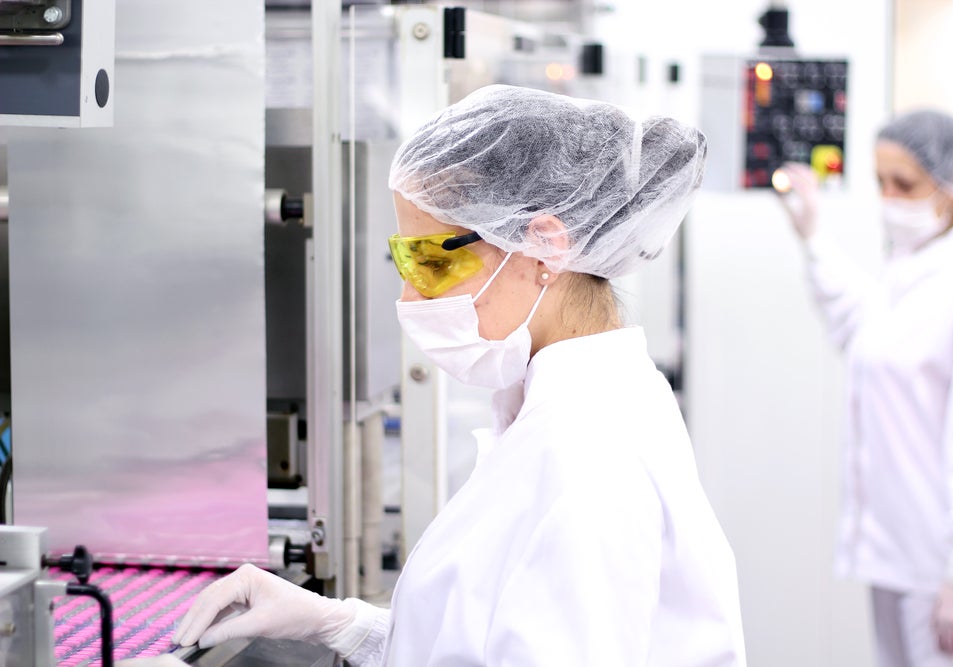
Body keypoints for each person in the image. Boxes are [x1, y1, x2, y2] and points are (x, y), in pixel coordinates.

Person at [163, 84, 746, 666]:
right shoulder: (566, 409)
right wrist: (341, 625)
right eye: (403, 261)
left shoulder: (588, 453)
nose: (409, 297)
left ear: (544, 246)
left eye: (432, 262)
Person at [777, 110, 953, 666]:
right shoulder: (909, 268)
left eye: (905, 183)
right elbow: (862, 330)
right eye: (881, 182)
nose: (889, 198)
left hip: (949, 564)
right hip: (898, 554)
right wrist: (813, 237)